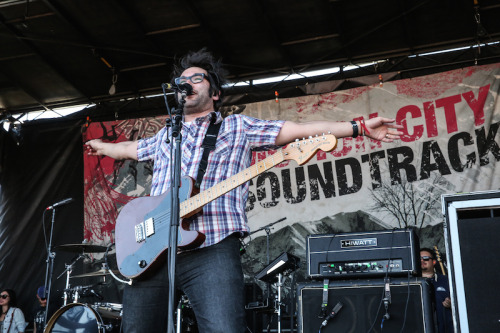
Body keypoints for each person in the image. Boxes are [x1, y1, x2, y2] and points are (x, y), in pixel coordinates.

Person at [86, 49, 404, 333]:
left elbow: (296, 130)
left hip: (211, 248)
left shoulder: (235, 127)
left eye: (196, 78)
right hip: (154, 252)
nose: (187, 83)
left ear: (215, 93)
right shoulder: (168, 134)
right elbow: (130, 149)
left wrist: (358, 127)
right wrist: (101, 145)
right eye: (182, 79)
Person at [420, 248, 454, 333]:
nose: (422, 260)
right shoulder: (412, 283)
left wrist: (452, 304)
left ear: (434, 262)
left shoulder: (447, 280)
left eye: (426, 258)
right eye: (419, 258)